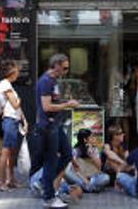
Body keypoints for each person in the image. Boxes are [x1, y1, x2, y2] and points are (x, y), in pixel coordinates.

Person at [37, 54, 80, 208]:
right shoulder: (46, 81)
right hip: (48, 127)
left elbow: (54, 102)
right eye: (64, 67)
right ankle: (48, 197)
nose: (66, 71)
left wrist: (65, 102)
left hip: (56, 125)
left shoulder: (54, 81)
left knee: (68, 154)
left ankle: (44, 182)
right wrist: (68, 104)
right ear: (56, 65)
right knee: (51, 160)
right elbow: (46, 106)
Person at [0, 60, 25, 191]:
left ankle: (11, 179)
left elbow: (16, 106)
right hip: (9, 120)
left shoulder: (9, 85)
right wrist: (20, 100)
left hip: (14, 120)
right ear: (12, 72)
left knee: (12, 152)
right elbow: (15, 104)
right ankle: (1, 182)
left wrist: (24, 120)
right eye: (17, 70)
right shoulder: (5, 84)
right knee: (6, 151)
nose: (18, 73)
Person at [65, 128, 110, 193]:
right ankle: (91, 188)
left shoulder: (94, 149)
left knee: (106, 177)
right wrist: (85, 180)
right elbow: (75, 169)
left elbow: (99, 167)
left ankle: (85, 187)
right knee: (66, 172)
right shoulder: (76, 151)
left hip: (93, 177)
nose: (94, 139)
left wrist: (91, 155)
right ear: (85, 139)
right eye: (91, 137)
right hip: (80, 177)